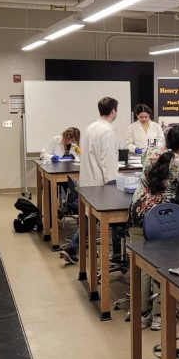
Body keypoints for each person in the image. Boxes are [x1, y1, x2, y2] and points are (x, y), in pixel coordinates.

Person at [128, 125, 179, 330]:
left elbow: (147, 170)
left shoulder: (150, 152)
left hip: (139, 213)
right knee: (162, 264)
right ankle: (160, 314)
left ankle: (141, 312)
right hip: (165, 219)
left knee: (141, 264)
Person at [60, 97, 119, 263]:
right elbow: (107, 160)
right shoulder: (107, 131)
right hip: (102, 183)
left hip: (88, 180)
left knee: (88, 216)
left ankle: (72, 247)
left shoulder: (90, 128)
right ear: (114, 111)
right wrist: (113, 183)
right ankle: (116, 256)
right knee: (115, 218)